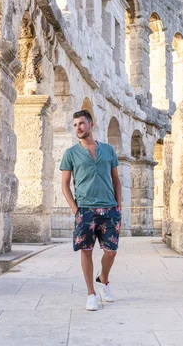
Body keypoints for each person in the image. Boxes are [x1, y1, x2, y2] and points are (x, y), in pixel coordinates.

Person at [60, 109, 122, 311]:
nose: (78, 127)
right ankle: (91, 294)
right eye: (75, 124)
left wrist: (118, 205)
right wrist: (75, 209)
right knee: (86, 252)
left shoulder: (108, 150)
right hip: (85, 210)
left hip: (109, 209)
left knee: (111, 252)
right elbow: (65, 184)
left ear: (91, 124)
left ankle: (103, 278)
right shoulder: (70, 154)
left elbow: (115, 179)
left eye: (81, 123)